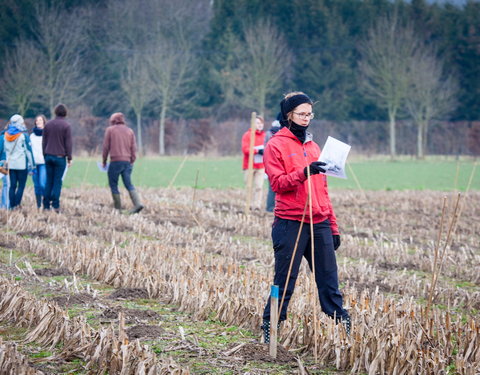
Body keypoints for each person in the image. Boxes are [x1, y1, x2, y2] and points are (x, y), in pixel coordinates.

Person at [261, 92, 350, 343]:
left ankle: (342, 326)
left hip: (319, 222)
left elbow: (323, 189)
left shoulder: (313, 146)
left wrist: (333, 227)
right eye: (301, 114)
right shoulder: (275, 145)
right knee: (285, 279)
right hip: (290, 222)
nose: (306, 118)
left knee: (329, 280)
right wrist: (303, 172)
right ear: (289, 114)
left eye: (309, 114)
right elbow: (278, 184)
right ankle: (271, 325)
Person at [102, 112, 143, 213]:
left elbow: (106, 147)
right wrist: (132, 160)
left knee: (113, 184)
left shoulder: (110, 130)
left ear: (113, 121)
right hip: (127, 162)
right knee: (128, 184)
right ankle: (138, 204)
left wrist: (104, 161)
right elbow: (133, 148)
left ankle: (118, 209)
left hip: (115, 161)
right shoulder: (130, 131)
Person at [0, 114, 35, 210]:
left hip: (10, 165)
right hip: (21, 165)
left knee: (12, 186)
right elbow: (28, 152)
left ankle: (11, 206)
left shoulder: (5, 135)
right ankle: (16, 205)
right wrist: (33, 166)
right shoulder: (23, 136)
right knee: (21, 186)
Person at [42, 103, 72, 212]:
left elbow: (44, 142)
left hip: (48, 156)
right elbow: (68, 143)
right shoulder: (66, 126)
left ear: (55, 112)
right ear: (65, 113)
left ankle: (45, 205)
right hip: (60, 158)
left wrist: (44, 154)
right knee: (57, 181)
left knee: (49, 180)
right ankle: (55, 205)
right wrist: (69, 158)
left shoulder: (48, 124)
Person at [241, 115, 266, 210]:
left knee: (259, 187)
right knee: (249, 186)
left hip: (261, 165)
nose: (260, 125)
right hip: (249, 165)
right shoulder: (247, 135)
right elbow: (245, 149)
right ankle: (248, 204)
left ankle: (257, 205)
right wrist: (256, 151)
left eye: (261, 123)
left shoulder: (264, 135)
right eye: (258, 123)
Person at [264, 116, 281, 212]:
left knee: (272, 187)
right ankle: (271, 207)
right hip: (276, 163)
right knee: (274, 188)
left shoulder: (268, 133)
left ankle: (270, 207)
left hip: (271, 163)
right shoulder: (283, 133)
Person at [30, 115, 47, 208]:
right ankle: (38, 205)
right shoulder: (32, 136)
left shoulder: (47, 134)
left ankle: (46, 204)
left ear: (44, 122)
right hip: (34, 163)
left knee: (42, 184)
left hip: (43, 163)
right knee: (36, 185)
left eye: (40, 120)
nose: (38, 122)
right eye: (37, 120)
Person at [0, 125, 10, 209]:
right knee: (7, 184)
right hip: (4, 164)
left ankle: (5, 205)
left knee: (7, 184)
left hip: (10, 164)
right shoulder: (2, 138)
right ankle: (4, 205)